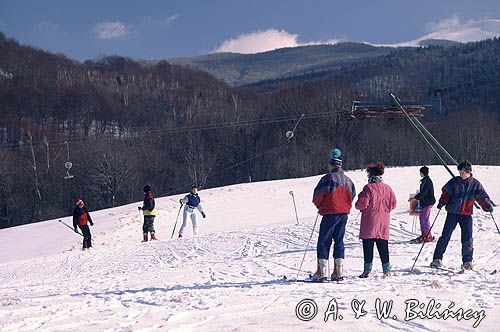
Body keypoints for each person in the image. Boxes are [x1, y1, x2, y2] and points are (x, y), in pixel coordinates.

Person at [431, 160, 493, 270]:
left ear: (469, 172)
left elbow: (482, 197)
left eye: (463, 172)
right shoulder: (454, 182)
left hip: (466, 214)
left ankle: (467, 261)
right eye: (459, 172)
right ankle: (437, 258)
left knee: (467, 238)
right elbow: (446, 193)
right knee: (445, 235)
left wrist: (486, 205)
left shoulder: (475, 184)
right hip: (453, 212)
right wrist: (442, 201)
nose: (461, 174)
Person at [311, 148, 356, 282]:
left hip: (330, 213)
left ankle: (322, 271)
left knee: (324, 241)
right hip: (343, 214)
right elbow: (352, 195)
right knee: (339, 241)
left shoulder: (327, 178)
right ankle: (338, 271)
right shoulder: (348, 180)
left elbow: (318, 195)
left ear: (331, 165)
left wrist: (320, 206)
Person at [355, 162, 397, 278]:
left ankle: (367, 269)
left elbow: (361, 204)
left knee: (368, 246)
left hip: (370, 220)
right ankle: (386, 269)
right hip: (383, 221)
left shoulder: (368, 188)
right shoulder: (388, 188)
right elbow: (393, 204)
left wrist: (359, 202)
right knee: (383, 246)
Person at [410, 166, 436, 243]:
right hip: (425, 202)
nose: (419, 174)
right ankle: (425, 234)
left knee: (424, 219)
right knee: (423, 218)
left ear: (422, 173)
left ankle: (427, 236)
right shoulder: (425, 181)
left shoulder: (427, 181)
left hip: (427, 202)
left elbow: (424, 192)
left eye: (420, 172)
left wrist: (416, 197)